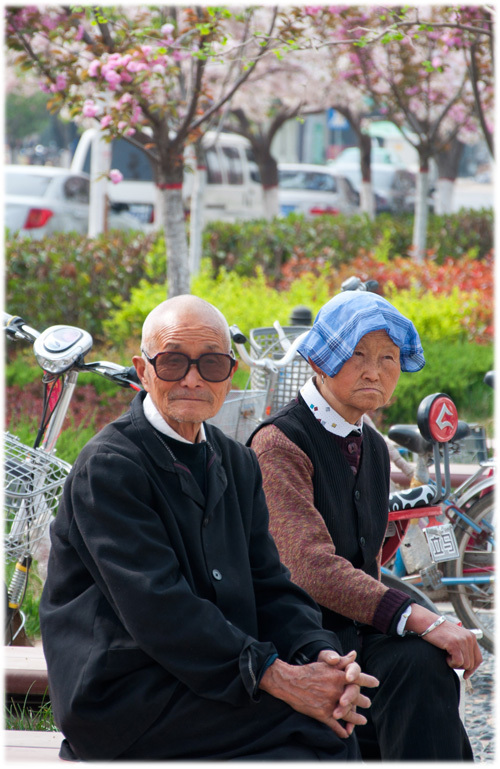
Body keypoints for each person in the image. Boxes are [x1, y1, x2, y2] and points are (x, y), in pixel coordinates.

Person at [39, 295, 379, 762]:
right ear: (143, 370)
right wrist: (277, 677)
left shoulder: (236, 460)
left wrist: (319, 657)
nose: (193, 378)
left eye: (212, 364)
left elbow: (270, 582)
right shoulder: (110, 467)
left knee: (354, 717)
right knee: (312, 734)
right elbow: (160, 608)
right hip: (126, 693)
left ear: (231, 373)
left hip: (215, 676)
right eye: (173, 362)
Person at [249, 290, 482, 761]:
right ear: (321, 359)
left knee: (425, 667)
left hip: (354, 639)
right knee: (421, 664)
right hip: (297, 643)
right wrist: (424, 618)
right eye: (356, 355)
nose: (374, 371)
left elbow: (366, 561)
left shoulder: (370, 446)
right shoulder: (279, 443)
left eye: (389, 358)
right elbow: (310, 567)